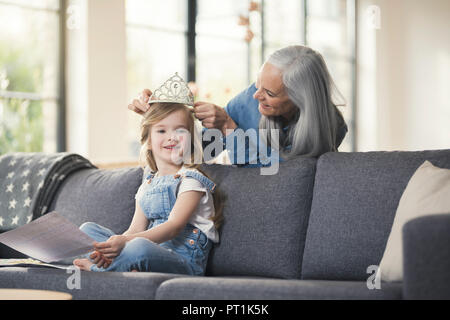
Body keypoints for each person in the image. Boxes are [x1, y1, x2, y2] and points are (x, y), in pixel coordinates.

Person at [128, 45, 348, 166]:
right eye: (257, 84)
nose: (256, 96)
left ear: (300, 99)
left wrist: (229, 128)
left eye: (269, 93)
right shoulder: (246, 102)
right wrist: (157, 116)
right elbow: (190, 153)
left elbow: (282, 176)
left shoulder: (332, 125)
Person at [73, 100, 223, 275]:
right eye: (161, 130)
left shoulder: (191, 181)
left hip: (183, 264)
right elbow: (135, 230)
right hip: (149, 254)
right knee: (86, 231)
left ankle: (98, 270)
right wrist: (114, 247)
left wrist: (126, 242)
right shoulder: (148, 184)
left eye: (180, 130)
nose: (172, 137)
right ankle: (120, 266)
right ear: (149, 141)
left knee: (139, 247)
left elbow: (173, 227)